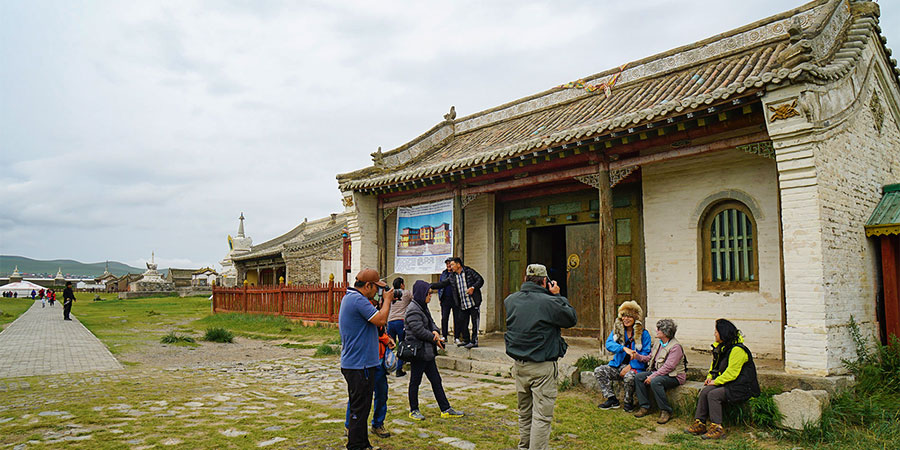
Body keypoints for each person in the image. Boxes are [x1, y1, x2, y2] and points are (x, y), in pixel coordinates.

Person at [504, 264, 577, 450]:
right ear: (545, 281)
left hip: (519, 365)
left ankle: (524, 447)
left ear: (525, 279)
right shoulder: (549, 302)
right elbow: (571, 318)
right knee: (542, 417)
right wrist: (558, 295)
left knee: (525, 414)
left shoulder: (511, 300)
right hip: (542, 366)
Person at [338, 268, 393, 450]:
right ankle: (356, 445)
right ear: (367, 285)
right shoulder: (357, 300)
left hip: (359, 364)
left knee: (361, 409)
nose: (377, 292)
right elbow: (381, 320)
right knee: (359, 410)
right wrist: (387, 301)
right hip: (359, 365)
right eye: (376, 288)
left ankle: (363, 444)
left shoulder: (353, 298)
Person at [686, 319, 760, 440]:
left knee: (714, 394)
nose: (714, 334)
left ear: (723, 333)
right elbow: (714, 367)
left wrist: (717, 381)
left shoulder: (738, 350)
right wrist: (710, 378)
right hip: (729, 383)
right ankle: (700, 423)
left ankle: (717, 428)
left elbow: (732, 373)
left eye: (716, 331)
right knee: (705, 391)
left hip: (742, 386)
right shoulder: (722, 348)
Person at [405, 280, 464, 421]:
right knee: (415, 381)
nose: (430, 296)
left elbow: (432, 323)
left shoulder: (423, 307)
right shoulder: (413, 309)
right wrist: (433, 336)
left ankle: (445, 408)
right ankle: (414, 410)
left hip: (428, 352)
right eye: (428, 293)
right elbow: (418, 331)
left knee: (436, 380)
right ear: (422, 293)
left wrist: (435, 331)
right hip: (418, 352)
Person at [594, 300, 651, 412]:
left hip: (635, 368)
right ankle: (612, 399)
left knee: (629, 377)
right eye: (624, 316)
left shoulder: (644, 334)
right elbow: (609, 344)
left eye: (629, 316)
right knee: (599, 370)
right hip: (618, 365)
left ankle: (628, 402)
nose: (626, 319)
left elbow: (645, 354)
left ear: (635, 318)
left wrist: (631, 366)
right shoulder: (618, 331)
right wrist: (623, 348)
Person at [631, 319, 688, 424]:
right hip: (659, 373)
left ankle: (666, 410)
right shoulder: (659, 343)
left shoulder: (675, 347)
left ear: (665, 332)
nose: (656, 331)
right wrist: (637, 356)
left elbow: (668, 367)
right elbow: (650, 357)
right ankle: (644, 406)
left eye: (659, 329)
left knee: (655, 381)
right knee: (639, 377)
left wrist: (652, 376)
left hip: (675, 376)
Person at [430, 257, 484, 348]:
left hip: (473, 302)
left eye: (452, 264)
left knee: (475, 322)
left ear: (458, 264)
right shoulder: (452, 276)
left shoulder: (469, 271)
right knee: (462, 322)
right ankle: (466, 340)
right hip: (463, 303)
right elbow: (443, 284)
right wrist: (430, 285)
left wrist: (473, 288)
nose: (450, 266)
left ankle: (474, 341)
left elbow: (480, 280)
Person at [386, 277, 412, 377]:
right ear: (401, 284)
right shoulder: (406, 293)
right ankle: (399, 368)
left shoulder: (390, 293)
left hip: (390, 321)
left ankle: (386, 366)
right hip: (401, 321)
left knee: (389, 345)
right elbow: (413, 300)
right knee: (402, 345)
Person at [437, 258, 461, 344]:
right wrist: (440, 297)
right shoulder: (444, 274)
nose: (448, 266)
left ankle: (457, 337)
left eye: (450, 264)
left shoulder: (456, 274)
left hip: (455, 299)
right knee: (444, 318)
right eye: (447, 264)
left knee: (457, 318)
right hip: (445, 299)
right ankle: (444, 336)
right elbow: (440, 285)